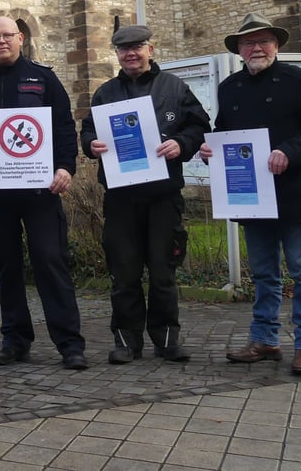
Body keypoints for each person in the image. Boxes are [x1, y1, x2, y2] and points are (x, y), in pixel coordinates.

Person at [198, 13, 301, 375]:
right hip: (251, 196)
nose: (256, 47)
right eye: (249, 43)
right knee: (263, 275)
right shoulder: (230, 87)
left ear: (276, 45)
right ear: (240, 50)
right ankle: (265, 340)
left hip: (294, 193)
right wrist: (210, 149)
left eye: (263, 41)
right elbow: (223, 131)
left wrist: (290, 151)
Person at [0, 16, 88, 370]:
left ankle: (69, 343)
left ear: (21, 38)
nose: (1, 42)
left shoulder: (44, 78)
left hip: (40, 188)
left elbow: (62, 127)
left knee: (50, 261)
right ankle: (15, 340)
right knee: (6, 267)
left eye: (7, 35)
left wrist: (65, 168)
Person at [79, 25, 211, 364]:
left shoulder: (174, 88)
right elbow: (89, 130)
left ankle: (167, 340)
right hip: (121, 198)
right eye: (123, 49)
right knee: (124, 273)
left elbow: (198, 125)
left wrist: (181, 144)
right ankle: (126, 342)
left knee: (163, 270)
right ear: (117, 55)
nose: (130, 54)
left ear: (151, 49)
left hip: (163, 195)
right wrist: (90, 145)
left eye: (137, 47)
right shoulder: (105, 93)